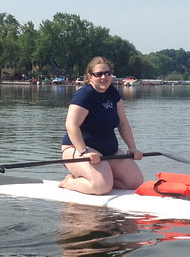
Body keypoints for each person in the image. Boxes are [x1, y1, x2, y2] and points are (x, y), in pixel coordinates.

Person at [60, 56, 144, 195]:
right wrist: (84, 151)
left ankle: (102, 179)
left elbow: (122, 122)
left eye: (107, 73)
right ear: (89, 77)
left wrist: (132, 147)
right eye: (98, 74)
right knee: (101, 187)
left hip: (108, 152)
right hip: (77, 149)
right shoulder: (84, 95)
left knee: (134, 182)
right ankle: (69, 182)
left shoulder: (112, 92)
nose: (104, 77)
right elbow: (71, 125)